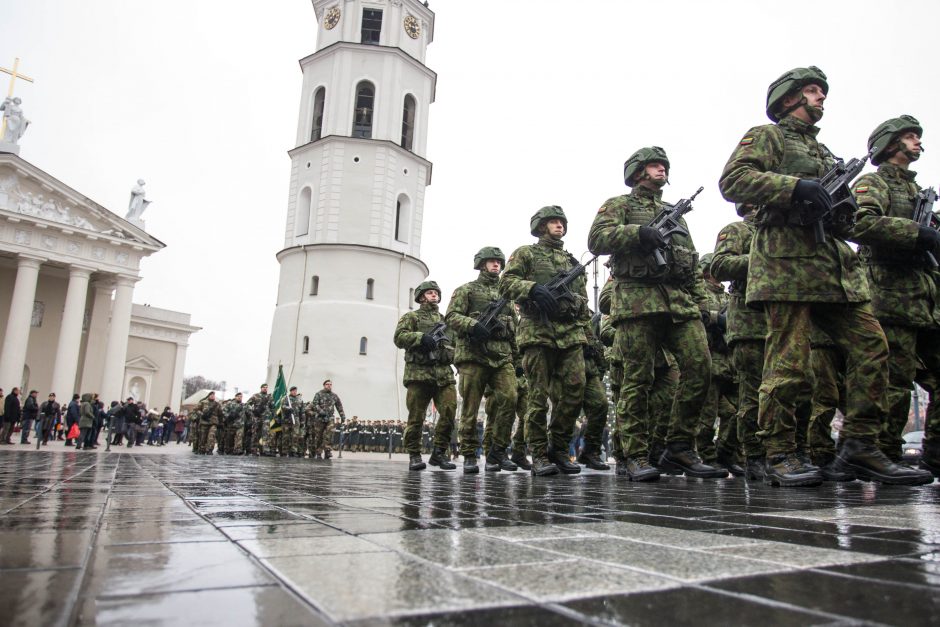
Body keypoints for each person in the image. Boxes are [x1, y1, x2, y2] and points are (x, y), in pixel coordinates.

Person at [718, 65, 932, 486]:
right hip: (786, 265)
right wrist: (796, 188)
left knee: (873, 347)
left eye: (821, 92)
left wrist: (844, 211)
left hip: (834, 272)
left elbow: (853, 222)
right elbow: (734, 180)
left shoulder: (825, 154)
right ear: (789, 99)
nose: (821, 98)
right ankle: (780, 453)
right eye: (812, 91)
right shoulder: (768, 136)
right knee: (788, 365)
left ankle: (858, 446)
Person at [589, 147, 723, 481]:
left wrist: (701, 304)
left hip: (678, 303)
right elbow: (596, 239)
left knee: (700, 367)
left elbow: (689, 261)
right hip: (636, 302)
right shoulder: (620, 205)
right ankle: (634, 454)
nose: (662, 168)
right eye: (654, 165)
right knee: (637, 379)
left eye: (664, 165)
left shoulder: (674, 214)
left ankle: (678, 445)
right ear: (637, 172)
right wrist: (637, 233)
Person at [850, 115, 940, 478]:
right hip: (889, 299)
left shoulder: (917, 192)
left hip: (926, 301)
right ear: (890, 144)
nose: (918, 142)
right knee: (894, 382)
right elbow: (859, 223)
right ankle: (883, 454)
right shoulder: (874, 182)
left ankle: (935, 451)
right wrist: (914, 233)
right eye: (910, 137)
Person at [499, 206, 589, 476]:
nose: (559, 225)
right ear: (541, 226)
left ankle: (558, 448)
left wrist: (575, 309)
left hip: (570, 333)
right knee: (537, 398)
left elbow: (583, 301)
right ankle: (538, 453)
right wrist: (533, 289)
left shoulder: (573, 262)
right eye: (553, 221)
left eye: (562, 222)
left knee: (575, 391)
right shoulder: (526, 253)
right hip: (537, 332)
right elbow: (506, 284)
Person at [445, 247, 519, 473]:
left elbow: (513, 327)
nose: (496, 264)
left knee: (510, 398)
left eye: (498, 261)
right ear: (481, 264)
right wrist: (473, 325)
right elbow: (451, 317)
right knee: (470, 406)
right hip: (473, 356)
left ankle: (497, 451)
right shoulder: (466, 290)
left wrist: (517, 359)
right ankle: (469, 454)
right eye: (491, 261)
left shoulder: (507, 294)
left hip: (501, 357)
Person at [711, 203, 769, 479]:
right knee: (753, 394)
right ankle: (753, 456)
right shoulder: (737, 231)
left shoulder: (783, 231)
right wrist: (766, 257)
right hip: (750, 326)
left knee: (795, 389)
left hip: (785, 321)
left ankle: (789, 451)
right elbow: (721, 264)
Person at [393, 280, 458, 470]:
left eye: (436, 293)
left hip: (444, 375)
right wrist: (421, 337)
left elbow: (455, 346)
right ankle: (414, 454)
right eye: (430, 293)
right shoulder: (411, 317)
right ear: (422, 297)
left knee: (449, 413)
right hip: (419, 375)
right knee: (416, 417)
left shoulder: (445, 321)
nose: (434, 295)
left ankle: (439, 453)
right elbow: (399, 337)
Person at [308, 380, 346, 460]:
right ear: (324, 385)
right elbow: (315, 404)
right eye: (327, 384)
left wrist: (342, 416)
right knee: (319, 436)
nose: (329, 386)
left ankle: (327, 451)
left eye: (330, 384)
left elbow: (339, 406)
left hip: (330, 418)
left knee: (329, 434)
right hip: (320, 418)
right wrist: (320, 411)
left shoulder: (334, 395)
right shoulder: (318, 394)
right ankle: (318, 452)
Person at [247, 383, 273, 455]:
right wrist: (253, 411)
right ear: (261, 388)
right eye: (264, 387)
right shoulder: (255, 396)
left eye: (266, 387)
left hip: (266, 418)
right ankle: (254, 450)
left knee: (266, 433)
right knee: (256, 434)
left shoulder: (269, 397)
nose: (265, 388)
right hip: (257, 418)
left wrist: (272, 415)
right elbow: (247, 404)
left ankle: (265, 450)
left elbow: (273, 407)